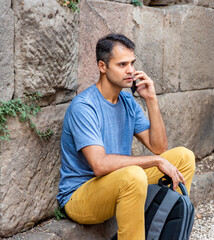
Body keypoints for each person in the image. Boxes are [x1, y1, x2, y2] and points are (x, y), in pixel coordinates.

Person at [56, 33, 196, 239]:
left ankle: (165, 232)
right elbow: (100, 165)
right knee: (134, 175)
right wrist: (155, 161)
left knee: (183, 157)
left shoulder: (127, 101)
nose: (130, 70)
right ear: (102, 67)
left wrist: (151, 99)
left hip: (119, 183)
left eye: (132, 63)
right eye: (122, 64)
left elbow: (158, 147)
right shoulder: (84, 107)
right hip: (81, 196)